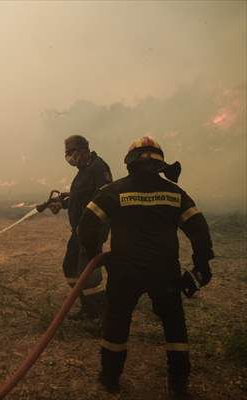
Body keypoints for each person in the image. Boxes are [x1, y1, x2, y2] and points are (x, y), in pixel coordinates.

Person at [77, 136, 214, 398]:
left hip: (124, 271)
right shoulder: (175, 194)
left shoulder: (115, 191)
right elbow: (198, 230)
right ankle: (178, 381)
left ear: (130, 163)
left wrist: (96, 252)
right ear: (161, 163)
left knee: (117, 321)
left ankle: (110, 378)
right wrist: (201, 263)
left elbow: (87, 226)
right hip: (165, 272)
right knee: (174, 323)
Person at [38, 134, 113, 320]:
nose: (69, 158)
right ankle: (87, 308)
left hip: (92, 230)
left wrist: (95, 230)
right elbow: (80, 198)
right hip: (79, 229)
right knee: (70, 267)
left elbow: (103, 200)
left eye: (70, 153)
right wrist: (62, 204)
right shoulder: (83, 170)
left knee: (89, 274)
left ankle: (100, 317)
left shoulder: (98, 168)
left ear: (81, 151)